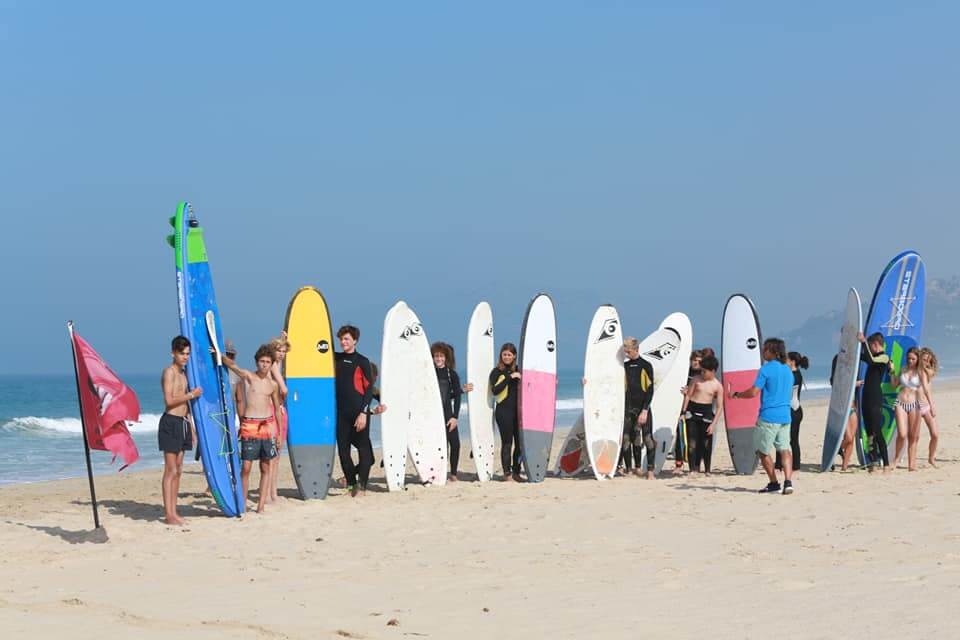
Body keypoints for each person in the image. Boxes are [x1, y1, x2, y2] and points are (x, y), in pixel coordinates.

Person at [729, 338, 795, 494]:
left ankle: (774, 483)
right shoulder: (787, 370)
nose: (763, 352)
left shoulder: (766, 369)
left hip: (769, 416)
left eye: (765, 349)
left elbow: (754, 392)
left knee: (762, 451)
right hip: (785, 416)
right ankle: (788, 482)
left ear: (774, 352)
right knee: (785, 449)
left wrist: (737, 394)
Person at [222, 345, 282, 513]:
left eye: (268, 362)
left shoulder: (273, 385)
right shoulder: (249, 377)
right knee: (246, 467)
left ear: (271, 364)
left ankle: (260, 506)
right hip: (250, 426)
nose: (264, 365)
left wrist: (278, 433)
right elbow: (233, 366)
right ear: (257, 362)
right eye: (262, 361)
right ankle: (242, 504)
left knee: (265, 467)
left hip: (267, 426)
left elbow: (277, 409)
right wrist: (219, 355)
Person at [159, 336, 202, 525]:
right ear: (173, 353)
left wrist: (191, 426)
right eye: (182, 353)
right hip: (170, 422)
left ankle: (174, 512)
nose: (185, 357)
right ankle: (168, 514)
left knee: (179, 470)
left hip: (183, 422)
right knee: (171, 470)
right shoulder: (168, 372)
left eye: (187, 354)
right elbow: (169, 400)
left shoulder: (185, 375)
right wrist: (192, 394)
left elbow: (187, 406)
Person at [334, 325, 376, 497]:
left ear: (355, 341)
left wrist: (364, 413)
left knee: (364, 451)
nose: (343, 342)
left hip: (359, 412)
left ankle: (362, 487)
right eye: (341, 339)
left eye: (347, 339)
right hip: (341, 413)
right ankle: (352, 486)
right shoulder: (335, 358)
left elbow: (369, 389)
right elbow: (316, 350)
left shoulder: (362, 361)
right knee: (343, 452)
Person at [858, 331, 895, 471]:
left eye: (870, 346)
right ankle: (873, 462)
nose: (870, 349)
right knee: (869, 432)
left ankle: (886, 464)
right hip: (866, 397)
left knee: (876, 431)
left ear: (875, 344)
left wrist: (863, 342)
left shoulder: (884, 357)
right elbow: (863, 357)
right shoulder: (872, 356)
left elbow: (871, 360)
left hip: (875, 398)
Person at [891, 347, 932, 471]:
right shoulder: (903, 369)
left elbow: (926, 389)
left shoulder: (921, 372)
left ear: (918, 359)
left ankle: (911, 464)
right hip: (900, 403)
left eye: (913, 359)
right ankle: (896, 459)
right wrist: (892, 371)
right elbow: (894, 385)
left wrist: (932, 406)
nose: (910, 361)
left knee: (913, 436)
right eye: (908, 358)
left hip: (915, 404)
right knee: (902, 434)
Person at [682, 354, 723, 474]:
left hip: (706, 413)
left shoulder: (717, 386)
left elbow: (719, 407)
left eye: (705, 371)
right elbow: (688, 395)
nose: (702, 373)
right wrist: (683, 412)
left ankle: (707, 470)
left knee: (705, 444)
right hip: (692, 412)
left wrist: (713, 424)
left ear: (713, 371)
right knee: (692, 443)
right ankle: (692, 469)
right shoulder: (696, 379)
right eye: (701, 371)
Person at [621, 337, 656, 478]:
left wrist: (645, 410)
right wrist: (587, 382)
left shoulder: (646, 365)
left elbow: (650, 390)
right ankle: (631, 469)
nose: (626, 354)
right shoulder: (624, 367)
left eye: (628, 351)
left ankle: (650, 471)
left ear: (636, 349)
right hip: (628, 408)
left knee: (648, 439)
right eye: (625, 351)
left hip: (642, 408)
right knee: (627, 439)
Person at [490, 343, 522, 481]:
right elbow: (495, 390)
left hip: (519, 413)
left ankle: (516, 472)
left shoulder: (520, 370)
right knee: (507, 443)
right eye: (504, 354)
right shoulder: (496, 371)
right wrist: (510, 377)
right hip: (504, 412)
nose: (507, 357)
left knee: (520, 444)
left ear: (514, 356)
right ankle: (507, 474)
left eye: (509, 354)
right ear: (501, 355)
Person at [432, 342, 464, 482]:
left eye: (441, 356)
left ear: (446, 358)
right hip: (433, 416)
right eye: (436, 356)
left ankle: (453, 474)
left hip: (448, 415)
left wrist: (455, 417)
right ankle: (439, 473)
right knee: (440, 446)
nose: (439, 359)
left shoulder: (452, 374)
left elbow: (457, 396)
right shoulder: (429, 373)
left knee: (455, 445)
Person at [267, 335, 290, 502]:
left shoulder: (273, 365)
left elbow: (278, 366)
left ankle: (272, 492)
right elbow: (284, 389)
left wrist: (282, 338)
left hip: (275, 410)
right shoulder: (272, 366)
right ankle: (271, 493)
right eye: (279, 350)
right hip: (274, 410)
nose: (281, 353)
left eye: (284, 351)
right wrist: (283, 395)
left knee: (275, 454)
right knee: (273, 455)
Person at [776, 352, 809, 471]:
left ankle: (786, 465)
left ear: (792, 362)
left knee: (785, 439)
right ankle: (791, 465)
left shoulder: (792, 376)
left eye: (786, 360)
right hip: (795, 410)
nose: (785, 362)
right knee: (789, 439)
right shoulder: (796, 374)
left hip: (792, 411)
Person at [831, 352, 861, 472]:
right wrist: (854, 384)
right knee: (848, 438)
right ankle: (836, 451)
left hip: (853, 407)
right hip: (842, 409)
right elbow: (841, 389)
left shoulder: (852, 374)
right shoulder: (836, 378)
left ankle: (844, 466)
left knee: (851, 438)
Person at [675, 350, 703, 473]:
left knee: (696, 438)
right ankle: (678, 464)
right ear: (690, 360)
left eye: (699, 361)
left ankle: (696, 465)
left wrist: (691, 391)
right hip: (681, 407)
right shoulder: (684, 372)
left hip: (696, 407)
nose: (696, 363)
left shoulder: (703, 375)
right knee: (680, 436)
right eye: (694, 360)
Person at [918, 347, 940, 467]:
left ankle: (931, 458)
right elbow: (925, 389)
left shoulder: (928, 372)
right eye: (924, 359)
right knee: (914, 436)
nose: (926, 362)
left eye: (928, 360)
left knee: (935, 434)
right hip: (916, 405)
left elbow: (928, 390)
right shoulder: (916, 371)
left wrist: (931, 405)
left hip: (926, 405)